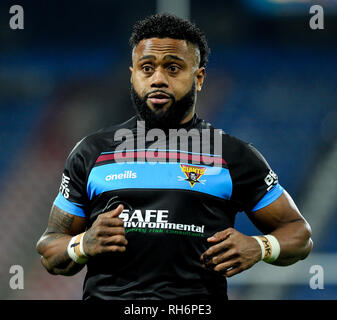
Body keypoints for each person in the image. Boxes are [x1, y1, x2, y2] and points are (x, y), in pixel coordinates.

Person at [36, 13, 313, 300]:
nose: (158, 79)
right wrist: (81, 245)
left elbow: (299, 234)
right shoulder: (91, 152)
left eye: (172, 68)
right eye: (147, 68)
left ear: (199, 77)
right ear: (133, 75)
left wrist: (260, 247)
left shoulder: (233, 155)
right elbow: (50, 247)